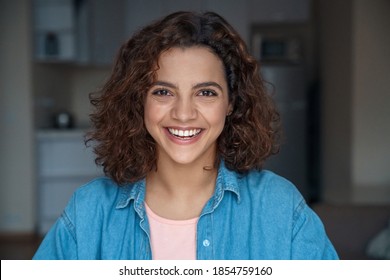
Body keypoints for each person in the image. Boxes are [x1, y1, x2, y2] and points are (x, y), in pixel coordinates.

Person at [33, 11, 338, 260]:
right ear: (140, 101)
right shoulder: (88, 211)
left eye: (205, 92)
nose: (183, 113)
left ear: (231, 103)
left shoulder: (280, 208)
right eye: (163, 91)